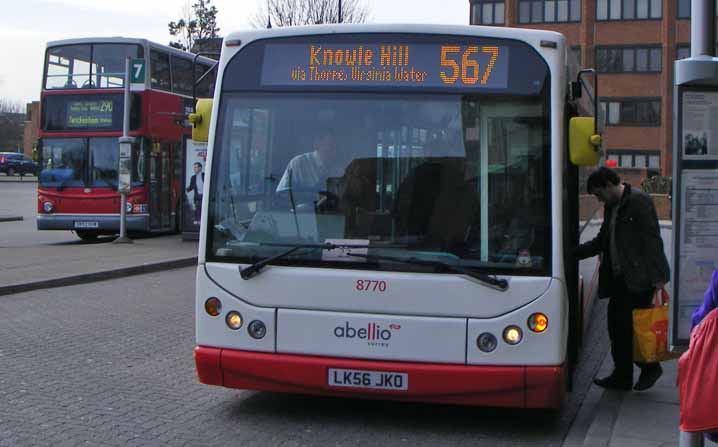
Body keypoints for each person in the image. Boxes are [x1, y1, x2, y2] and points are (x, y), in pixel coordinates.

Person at [575, 167, 670, 391]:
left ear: (609, 185)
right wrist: (574, 252)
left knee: (633, 329)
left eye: (599, 194)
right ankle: (623, 376)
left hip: (639, 278)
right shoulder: (611, 206)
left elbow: (652, 240)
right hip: (619, 279)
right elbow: (602, 240)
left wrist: (658, 277)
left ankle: (648, 368)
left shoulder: (638, 201)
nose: (598, 199)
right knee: (618, 329)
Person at [276, 130, 345, 210]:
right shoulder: (298, 163)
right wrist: (312, 197)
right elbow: (283, 194)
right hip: (298, 216)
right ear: (317, 144)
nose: (334, 152)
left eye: (336, 148)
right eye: (331, 146)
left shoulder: (338, 169)